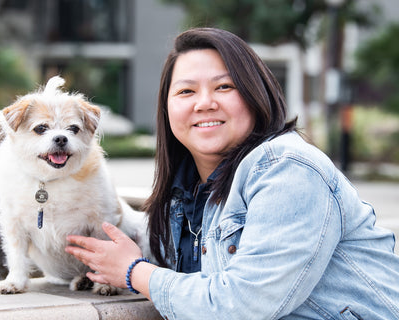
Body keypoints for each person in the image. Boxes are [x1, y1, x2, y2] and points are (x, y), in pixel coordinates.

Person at [65, 27, 399, 319]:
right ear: (167, 109)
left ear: (257, 94)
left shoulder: (288, 169)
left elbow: (242, 306)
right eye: (186, 91)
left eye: (224, 87)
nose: (204, 102)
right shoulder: (183, 194)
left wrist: (135, 272)